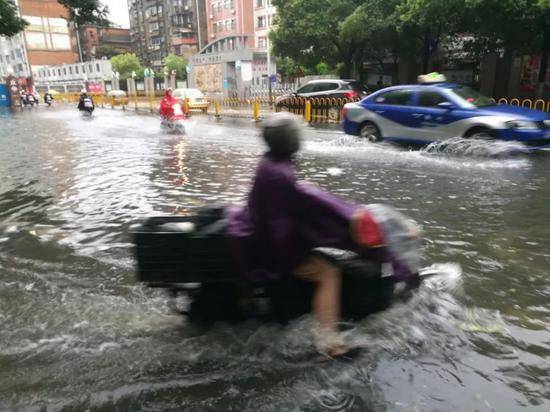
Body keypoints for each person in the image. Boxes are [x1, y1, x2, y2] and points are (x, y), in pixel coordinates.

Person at [225, 113, 382, 357]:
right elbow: (283, 229)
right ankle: (329, 342)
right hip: (268, 251)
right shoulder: (281, 174)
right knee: (329, 272)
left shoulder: (270, 162)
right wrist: (313, 235)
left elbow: (292, 208)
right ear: (289, 140)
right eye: (296, 135)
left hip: (255, 236)